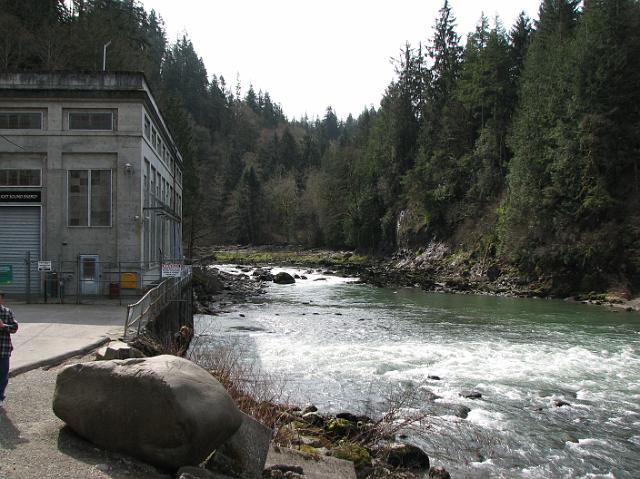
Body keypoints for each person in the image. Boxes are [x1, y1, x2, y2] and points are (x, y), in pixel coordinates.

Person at [0, 290, 18, 408]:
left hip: (3, 349)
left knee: (3, 375)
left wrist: (3, 326)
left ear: (2, 299)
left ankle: (0, 396)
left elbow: (15, 328)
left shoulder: (7, 312)